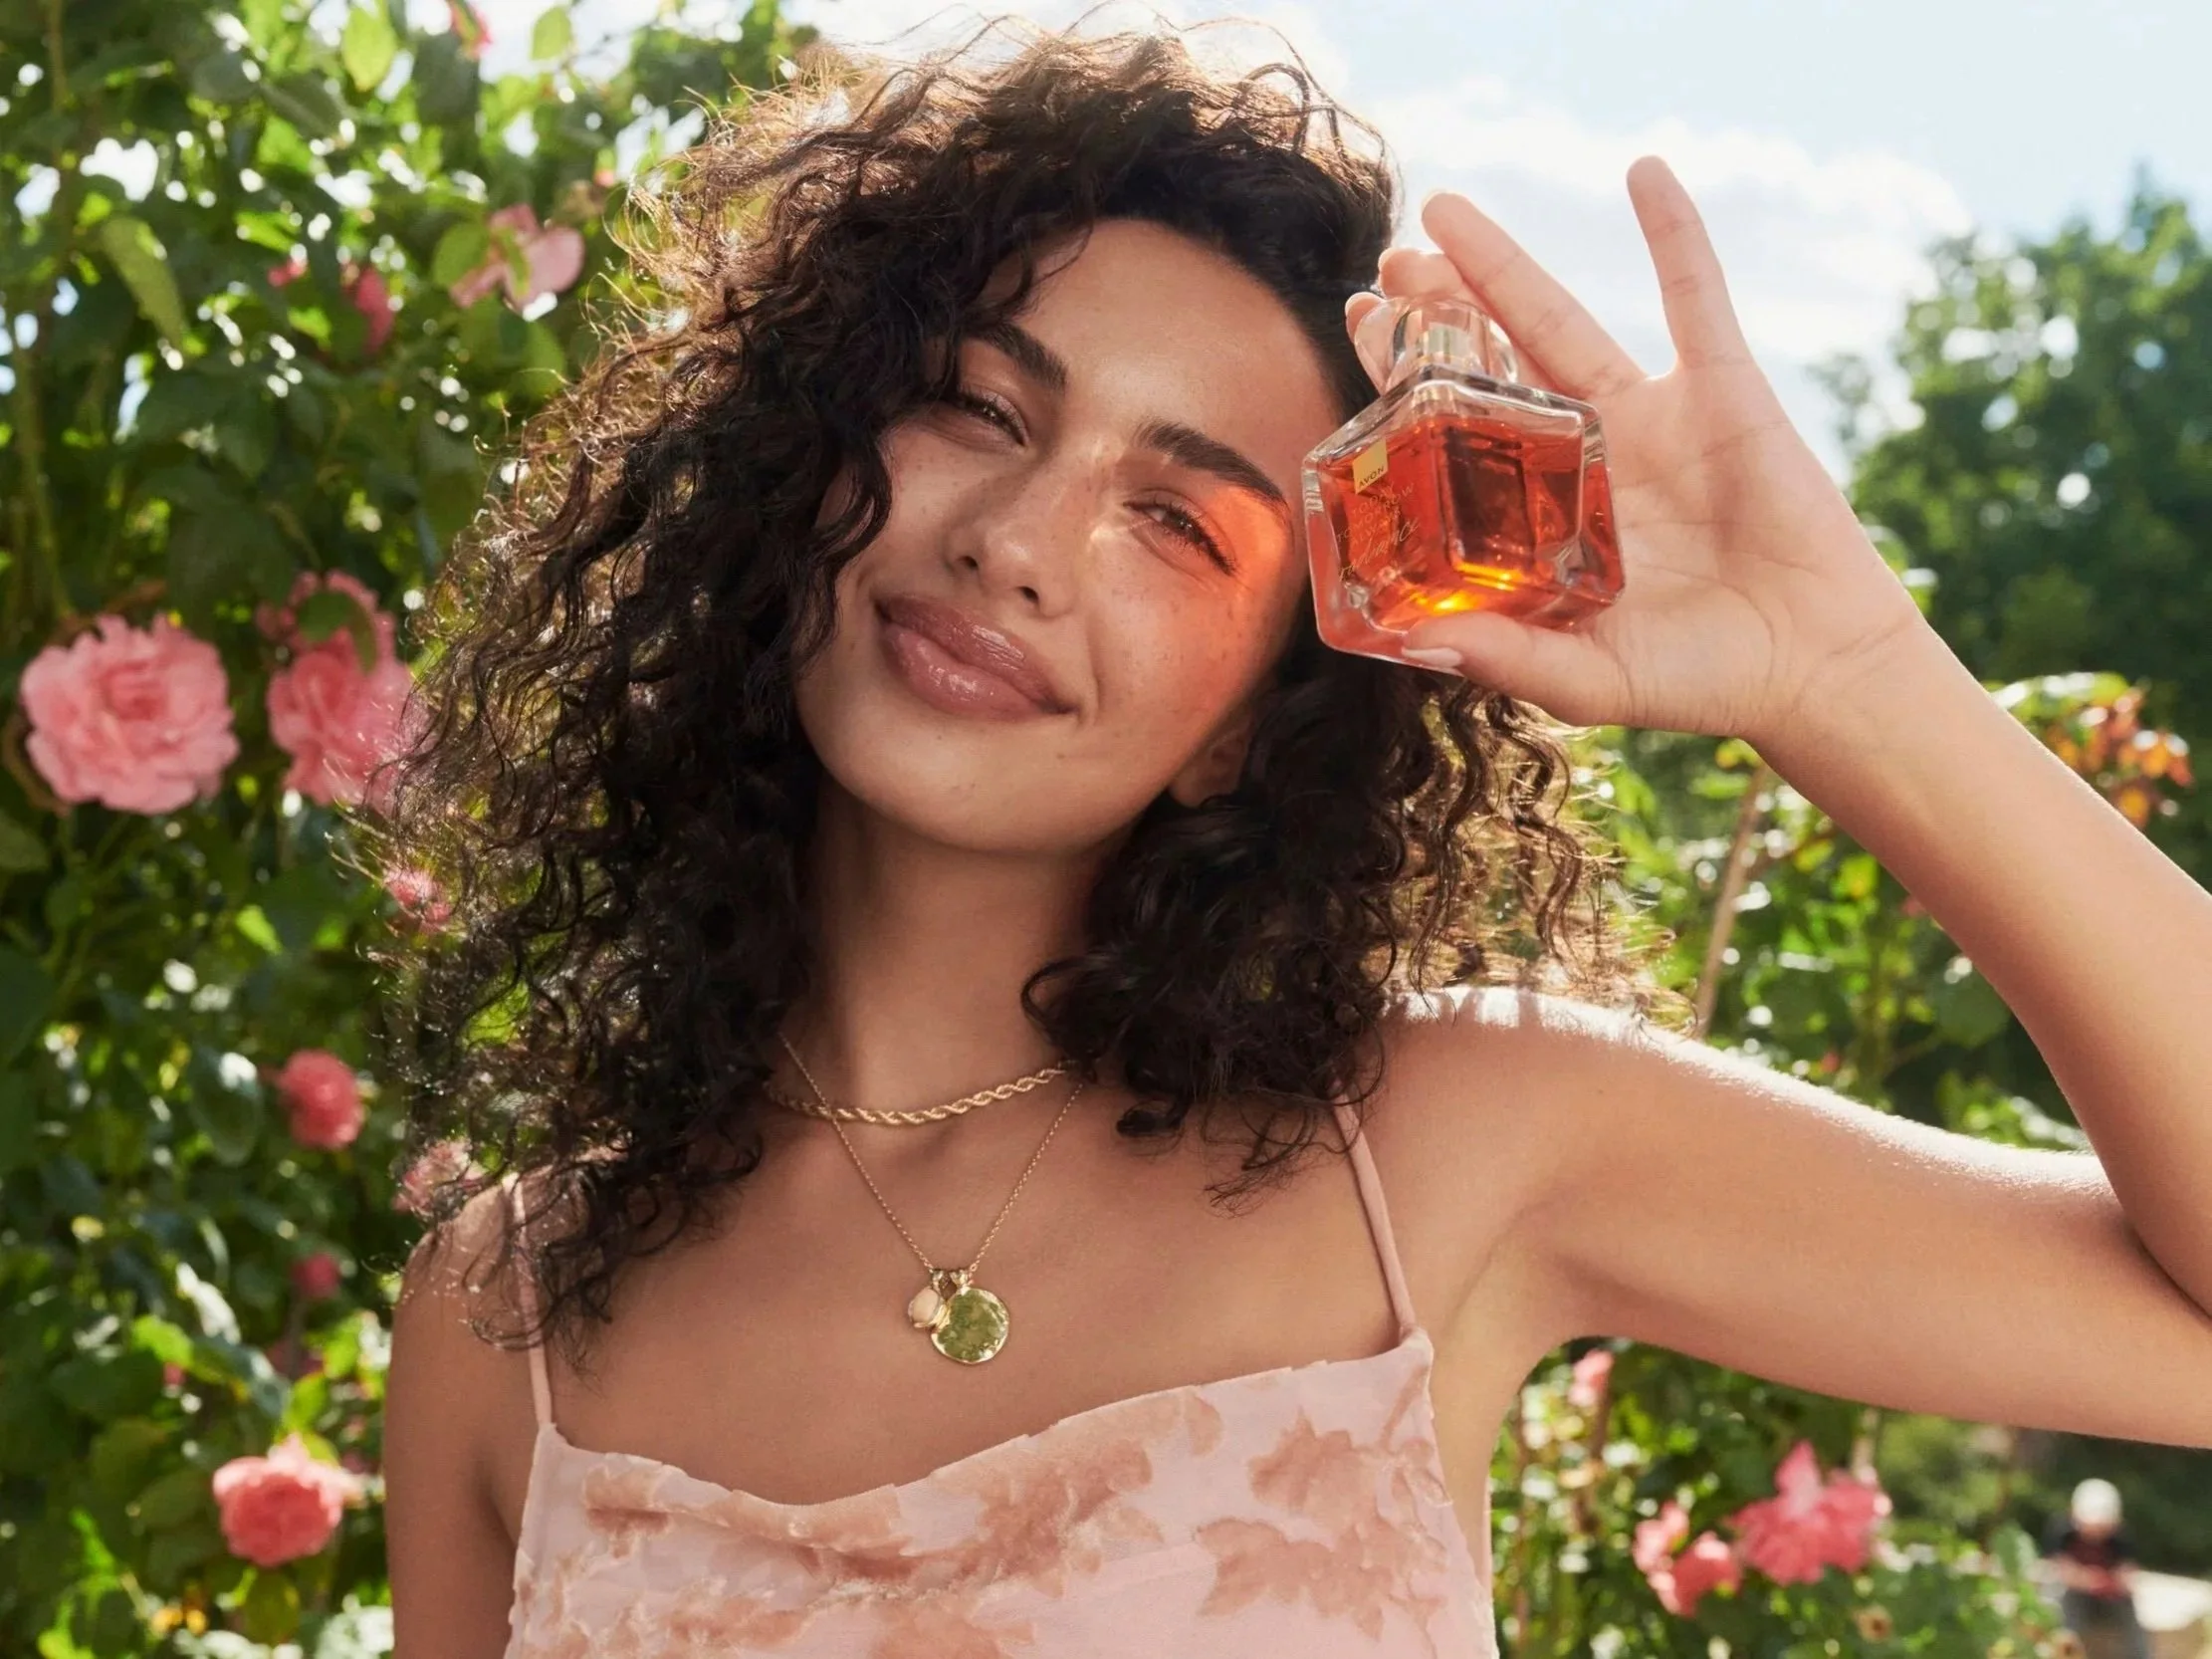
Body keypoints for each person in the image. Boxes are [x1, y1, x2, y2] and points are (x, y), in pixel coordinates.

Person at [377, 22, 2212, 1659]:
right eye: (977, 405)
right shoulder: (502, 1317)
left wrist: (1845, 671)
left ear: (1251, 716)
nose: (1022, 540)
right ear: (802, 466)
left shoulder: (1448, 1148)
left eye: (1178, 522)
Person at [2047, 1479, 2151, 1659]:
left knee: (2127, 1606)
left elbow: (2128, 1574)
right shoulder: (2062, 1531)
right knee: (2062, 1596)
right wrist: (2091, 1580)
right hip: (2075, 1597)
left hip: (2108, 1601)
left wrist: (2113, 1584)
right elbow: (2061, 1570)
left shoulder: (2121, 1538)